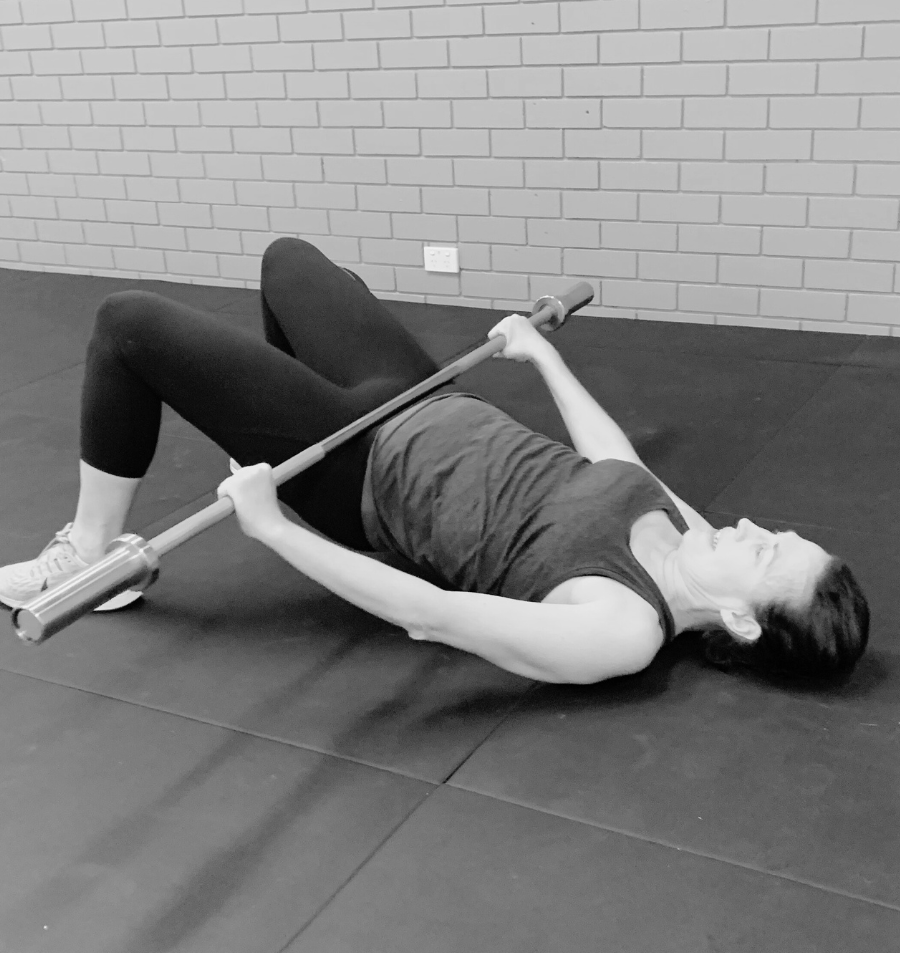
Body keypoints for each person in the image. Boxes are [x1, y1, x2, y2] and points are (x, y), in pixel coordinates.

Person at [0, 238, 869, 685]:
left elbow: (433, 615)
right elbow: (611, 457)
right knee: (288, 262)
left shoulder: (623, 630)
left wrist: (274, 529)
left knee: (127, 324)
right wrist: (542, 354)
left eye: (766, 552)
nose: (750, 526)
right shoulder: (696, 537)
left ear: (743, 622)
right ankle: (265, 426)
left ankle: (91, 556)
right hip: (425, 397)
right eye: (775, 531)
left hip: (364, 472)